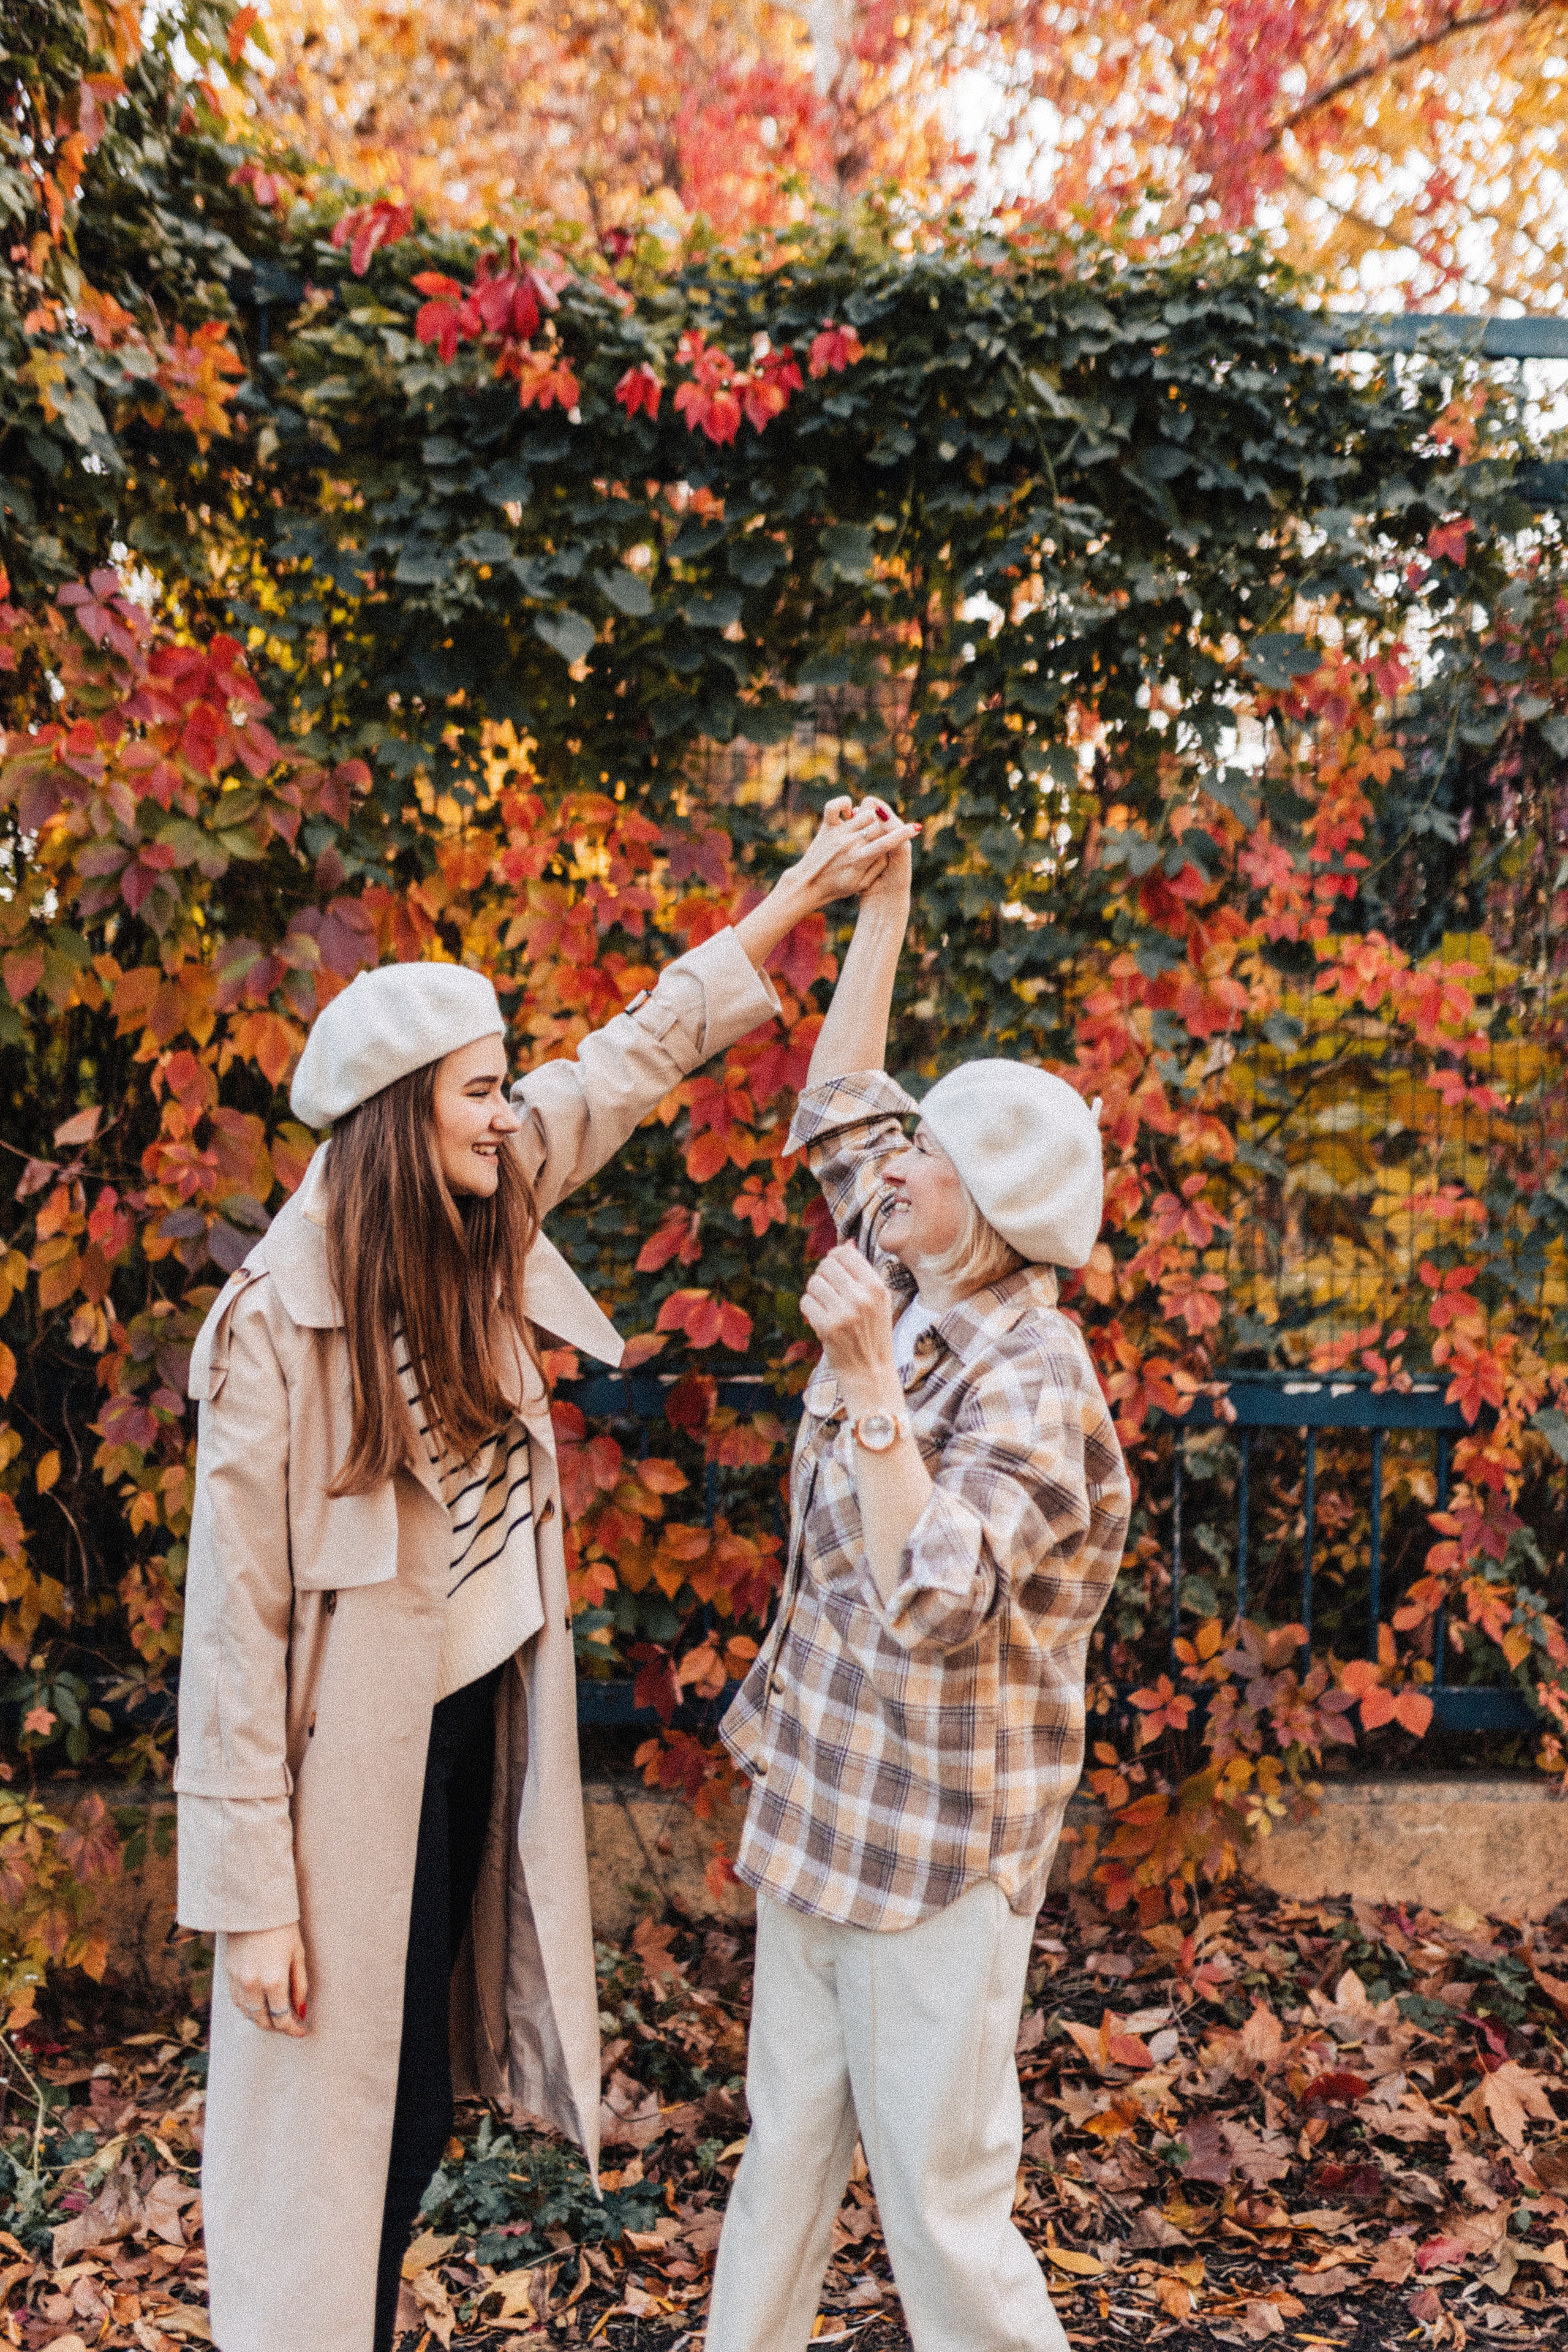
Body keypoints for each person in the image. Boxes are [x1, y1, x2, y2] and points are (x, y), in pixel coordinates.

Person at [173, 796, 918, 2352]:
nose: (510, 1114)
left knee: (416, 2121)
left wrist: (793, 898)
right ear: (399, 1112)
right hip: (333, 1787)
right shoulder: (273, 1326)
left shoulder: (485, 1203)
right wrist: (252, 1905)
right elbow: (231, 1633)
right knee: (333, 2147)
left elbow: (640, 1056)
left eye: (507, 1090)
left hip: (467, 1732)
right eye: (480, 1094)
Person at [709, 822, 1132, 2352]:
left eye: (929, 1155)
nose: (894, 1163)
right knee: (780, 2165)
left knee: (941, 2208)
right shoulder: (900, 1257)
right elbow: (839, 1102)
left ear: (992, 1206)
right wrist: (876, 915)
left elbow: (937, 1601)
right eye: (908, 1146)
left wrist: (871, 1387)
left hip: (942, 1854)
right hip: (823, 1811)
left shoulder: (1033, 1378)